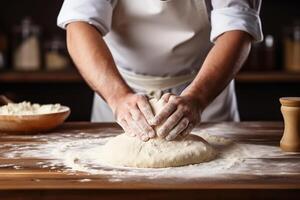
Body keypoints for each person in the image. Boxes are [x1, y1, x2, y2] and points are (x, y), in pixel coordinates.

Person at [57, 0, 263, 141]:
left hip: (207, 91)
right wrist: (118, 97)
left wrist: (198, 98)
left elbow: (237, 28)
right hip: (118, 90)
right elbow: (79, 24)